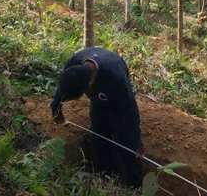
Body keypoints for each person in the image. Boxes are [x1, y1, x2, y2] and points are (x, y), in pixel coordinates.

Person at [50, 47, 146, 189]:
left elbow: (129, 108)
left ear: (89, 86)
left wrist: (136, 140)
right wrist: (56, 108)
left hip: (117, 105)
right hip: (98, 103)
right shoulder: (74, 63)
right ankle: (107, 178)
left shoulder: (115, 78)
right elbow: (63, 87)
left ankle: (134, 187)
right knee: (99, 138)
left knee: (126, 144)